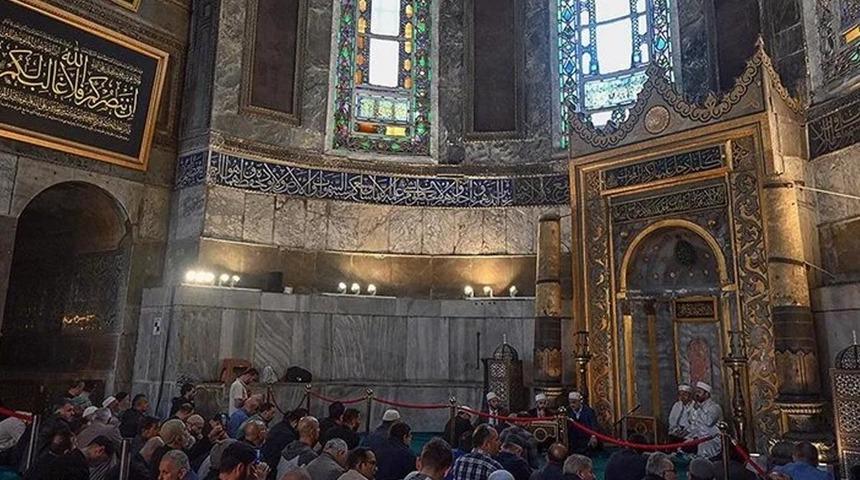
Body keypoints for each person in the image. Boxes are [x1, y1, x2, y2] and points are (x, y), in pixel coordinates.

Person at [49, 435, 115, 480]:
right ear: (100, 451)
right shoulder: (81, 471)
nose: (99, 464)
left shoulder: (65, 455)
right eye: (103, 460)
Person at [686, 382, 723, 459]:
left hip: (711, 441)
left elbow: (709, 422)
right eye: (696, 392)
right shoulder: (696, 406)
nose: (697, 394)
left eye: (699, 392)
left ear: (706, 394)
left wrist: (699, 409)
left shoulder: (714, 407)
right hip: (698, 439)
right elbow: (692, 423)